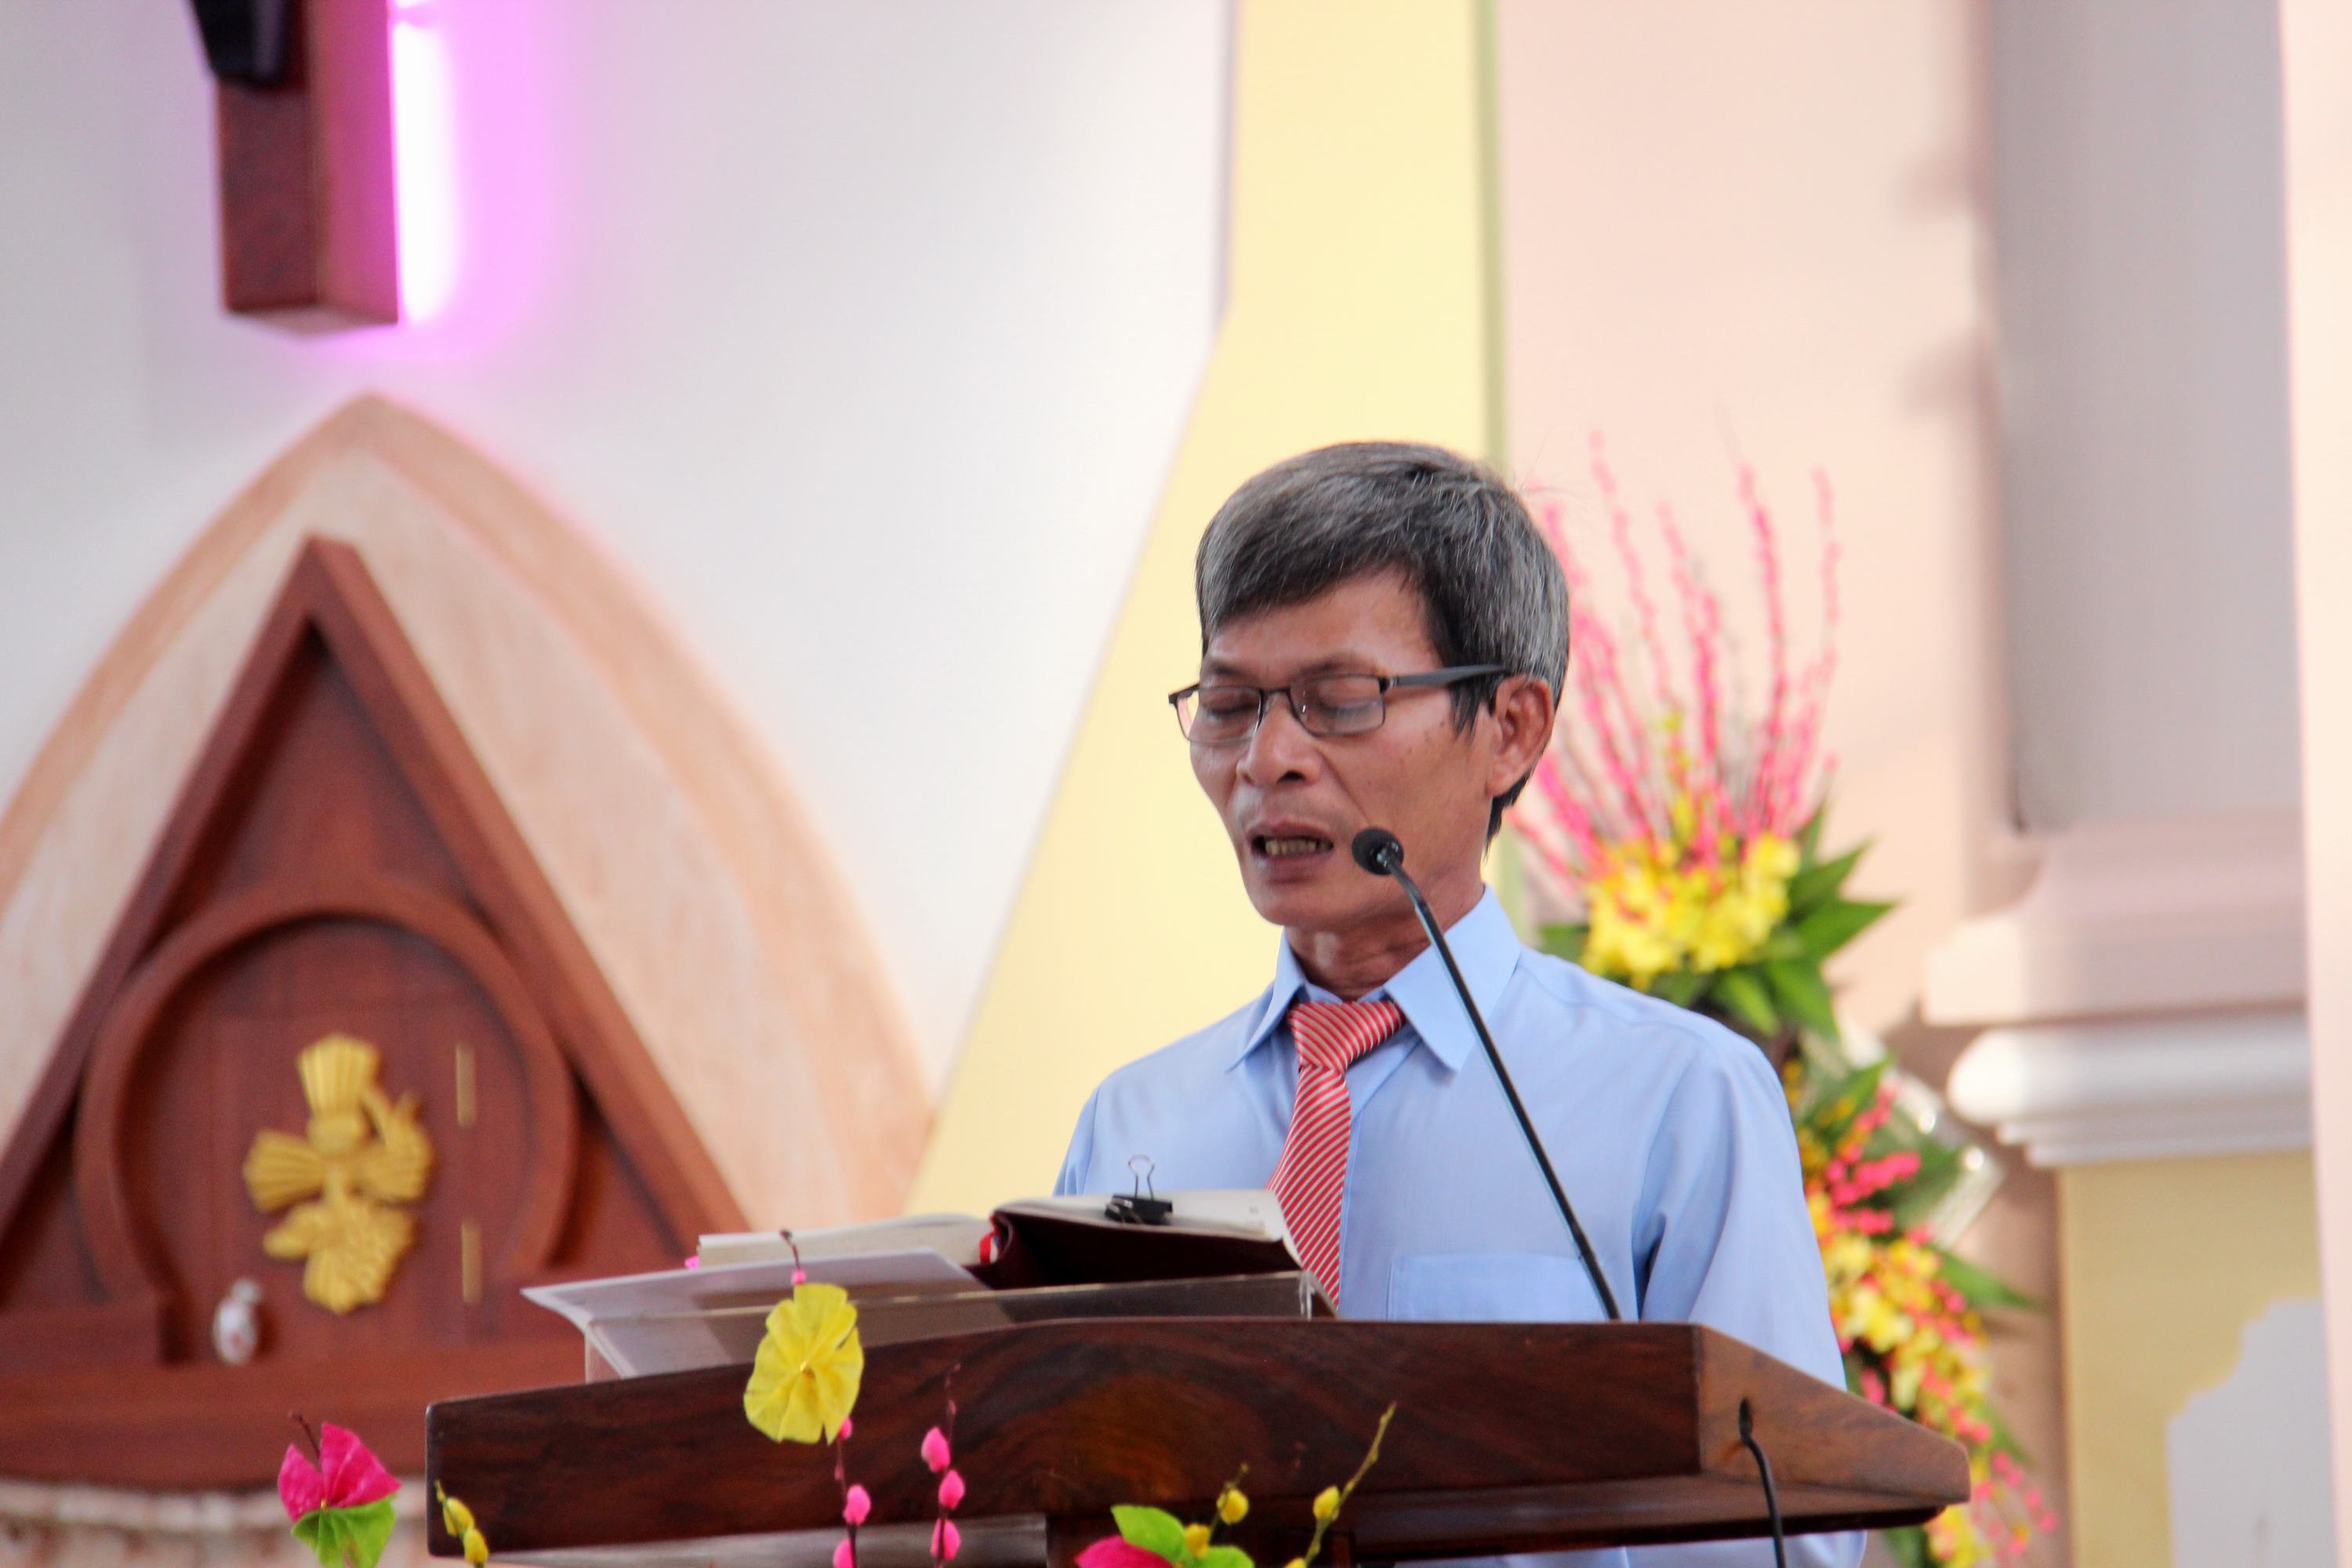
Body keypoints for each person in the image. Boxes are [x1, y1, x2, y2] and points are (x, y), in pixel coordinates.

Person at [1053, 441, 1861, 1568]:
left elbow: (1787, 1534)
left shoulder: (1676, 1101)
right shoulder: (1134, 1125)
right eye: (1230, 706)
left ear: (1511, 728)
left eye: (1340, 703)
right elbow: (1054, 1495)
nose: (1268, 759)